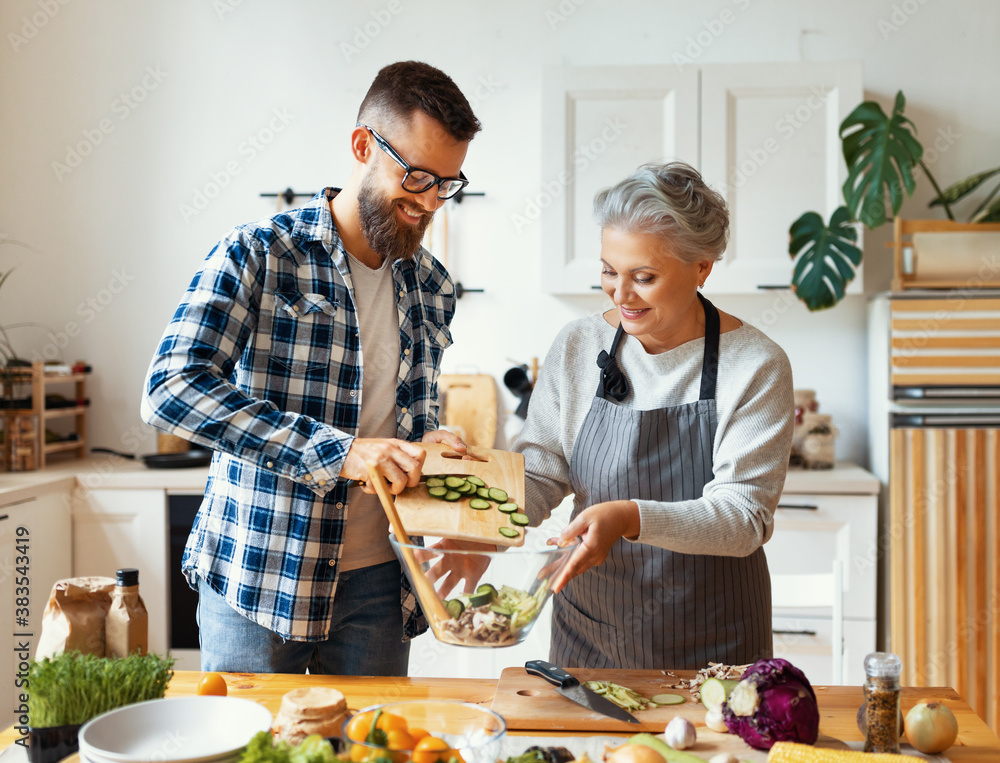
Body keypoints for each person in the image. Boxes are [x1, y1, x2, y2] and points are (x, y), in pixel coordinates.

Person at [140, 61, 481, 675]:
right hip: (260, 574)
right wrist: (340, 453)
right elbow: (171, 389)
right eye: (417, 176)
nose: (430, 201)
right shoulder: (260, 252)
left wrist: (430, 445)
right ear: (362, 147)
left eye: (447, 184)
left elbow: (408, 415)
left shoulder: (433, 284)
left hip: (381, 582)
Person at [513, 161, 794, 670]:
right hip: (590, 634)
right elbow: (541, 471)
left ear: (702, 266)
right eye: (608, 271)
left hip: (715, 644)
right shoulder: (578, 345)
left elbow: (744, 517)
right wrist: (479, 520)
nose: (621, 295)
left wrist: (627, 517)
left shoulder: (755, 364)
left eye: (644, 277)